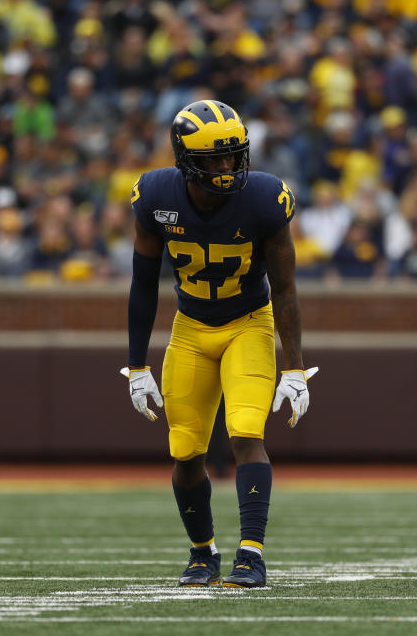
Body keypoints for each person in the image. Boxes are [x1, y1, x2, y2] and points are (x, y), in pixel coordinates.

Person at [120, 100, 318, 589]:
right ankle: (202, 552)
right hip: (190, 327)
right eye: (214, 158)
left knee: (246, 432)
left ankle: (251, 555)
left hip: (249, 321)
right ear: (186, 158)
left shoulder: (264, 198)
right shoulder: (156, 195)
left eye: (233, 156)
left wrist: (294, 368)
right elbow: (143, 284)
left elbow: (286, 287)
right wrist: (135, 365)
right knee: (186, 450)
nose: (227, 166)